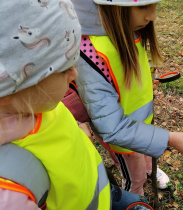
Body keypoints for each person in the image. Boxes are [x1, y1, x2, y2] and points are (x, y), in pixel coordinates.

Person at [0, 0, 159, 209]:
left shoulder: (41, 106)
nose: (75, 74)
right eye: (65, 69)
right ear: (12, 87)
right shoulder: (12, 190)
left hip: (102, 192)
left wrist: (76, 128)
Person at [71, 0, 183, 196]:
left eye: (155, 5)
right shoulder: (91, 51)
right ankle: (134, 199)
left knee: (145, 155)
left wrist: (142, 85)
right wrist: (171, 139)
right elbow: (112, 128)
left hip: (141, 126)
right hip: (122, 138)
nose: (152, 16)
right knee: (134, 178)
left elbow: (122, 75)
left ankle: (148, 169)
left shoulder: (128, 28)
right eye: (143, 6)